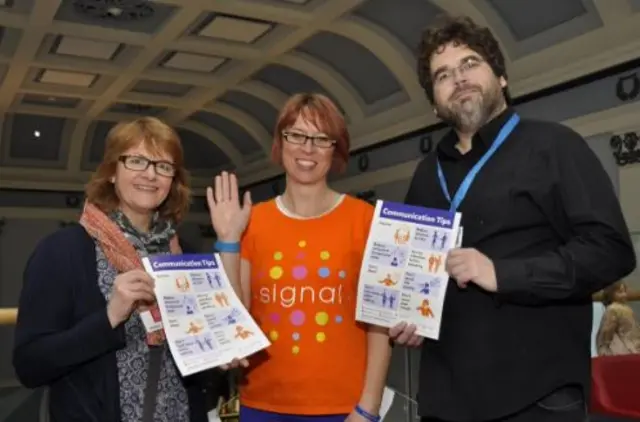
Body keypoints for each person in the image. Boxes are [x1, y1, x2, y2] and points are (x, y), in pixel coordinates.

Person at [389, 15, 636, 422]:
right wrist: (411, 320)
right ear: (434, 102)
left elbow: (611, 251)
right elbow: (416, 273)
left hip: (536, 397)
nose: (459, 78)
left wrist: (501, 273)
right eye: (443, 75)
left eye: (470, 64)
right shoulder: (425, 174)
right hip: (444, 401)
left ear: (500, 77)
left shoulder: (555, 146)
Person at [12, 117, 230, 422]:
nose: (150, 175)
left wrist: (220, 355)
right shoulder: (63, 251)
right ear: (112, 172)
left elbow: (192, 362)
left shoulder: (182, 254)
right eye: (137, 160)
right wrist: (109, 317)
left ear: (172, 181)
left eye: (163, 166)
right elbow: (30, 366)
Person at [206, 93, 392, 422]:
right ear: (281, 143)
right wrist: (229, 241)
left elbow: (381, 325)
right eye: (297, 135)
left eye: (322, 139)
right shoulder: (253, 221)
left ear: (336, 149)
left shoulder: (365, 221)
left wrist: (369, 408)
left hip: (344, 410)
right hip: (262, 406)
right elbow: (237, 320)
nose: (308, 149)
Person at [597, 281, 640, 355]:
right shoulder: (612, 309)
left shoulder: (626, 308)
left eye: (624, 291)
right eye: (620, 292)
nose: (624, 295)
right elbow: (608, 329)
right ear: (611, 294)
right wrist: (606, 345)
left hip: (632, 345)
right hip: (623, 347)